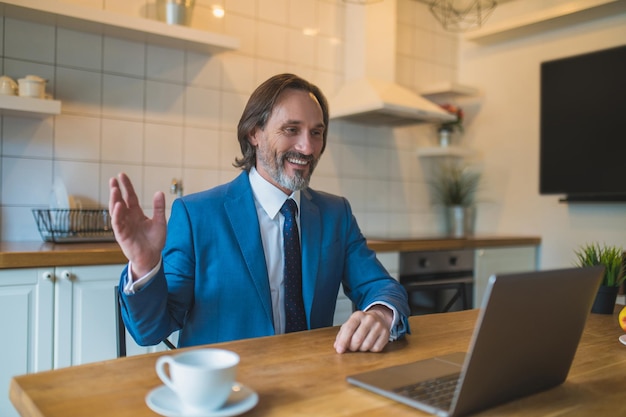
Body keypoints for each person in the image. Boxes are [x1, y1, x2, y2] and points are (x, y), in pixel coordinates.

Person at [110, 73, 410, 354]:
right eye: (291, 130)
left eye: (316, 133)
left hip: (312, 383)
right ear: (255, 133)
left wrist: (381, 314)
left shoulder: (336, 214)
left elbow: (379, 285)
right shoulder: (196, 215)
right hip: (226, 390)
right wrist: (144, 266)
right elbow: (150, 331)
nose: (307, 147)